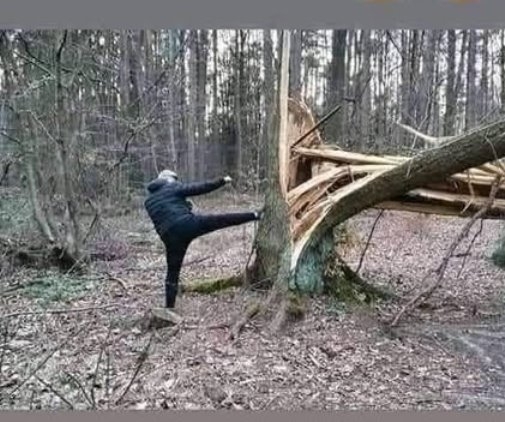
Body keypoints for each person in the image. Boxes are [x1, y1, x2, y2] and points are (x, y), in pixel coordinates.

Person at [144, 169, 263, 310]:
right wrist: (221, 181)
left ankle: (169, 308)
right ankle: (255, 215)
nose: (177, 182)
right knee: (220, 220)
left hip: (169, 237)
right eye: (175, 180)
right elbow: (199, 188)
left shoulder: (148, 201)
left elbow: (166, 212)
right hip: (185, 225)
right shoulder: (171, 186)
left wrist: (184, 206)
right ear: (168, 179)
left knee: (172, 272)